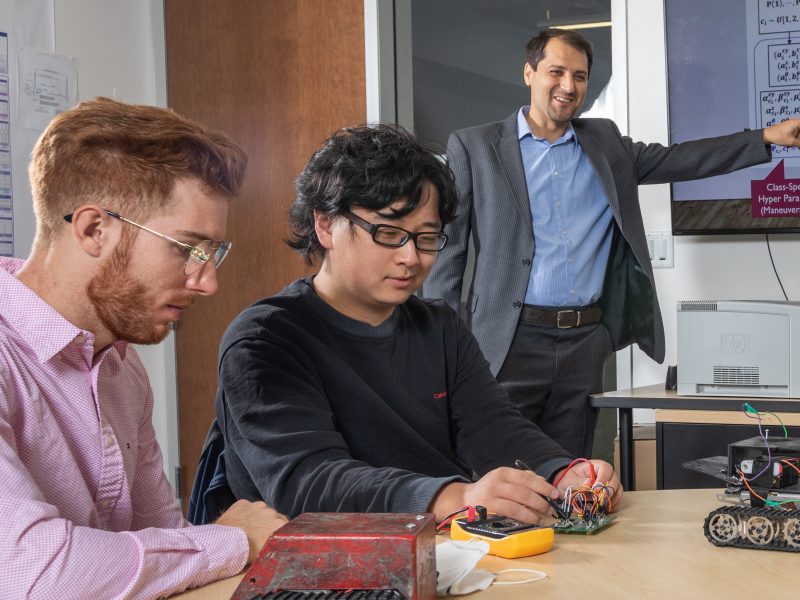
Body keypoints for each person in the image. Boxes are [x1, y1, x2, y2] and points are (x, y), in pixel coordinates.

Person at [215, 123, 622, 525]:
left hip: (438, 551)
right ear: (325, 225)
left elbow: (494, 426)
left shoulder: (439, 327)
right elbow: (309, 482)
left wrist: (562, 472)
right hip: (318, 567)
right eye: (388, 232)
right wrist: (455, 496)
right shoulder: (265, 340)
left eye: (427, 237)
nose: (412, 257)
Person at [422, 28, 800, 457]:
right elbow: (446, 255)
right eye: (556, 72)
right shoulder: (476, 146)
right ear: (529, 73)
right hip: (509, 339)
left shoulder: (604, 142)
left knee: (572, 474)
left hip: (584, 340)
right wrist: (443, 347)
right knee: (500, 470)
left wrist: (765, 138)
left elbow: (680, 158)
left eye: (580, 76)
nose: (569, 86)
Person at [0, 98, 287, 599]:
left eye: (212, 253)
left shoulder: (121, 366)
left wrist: (207, 549)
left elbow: (164, 550)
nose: (207, 283)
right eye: (187, 249)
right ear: (94, 229)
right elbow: (38, 575)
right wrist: (232, 538)